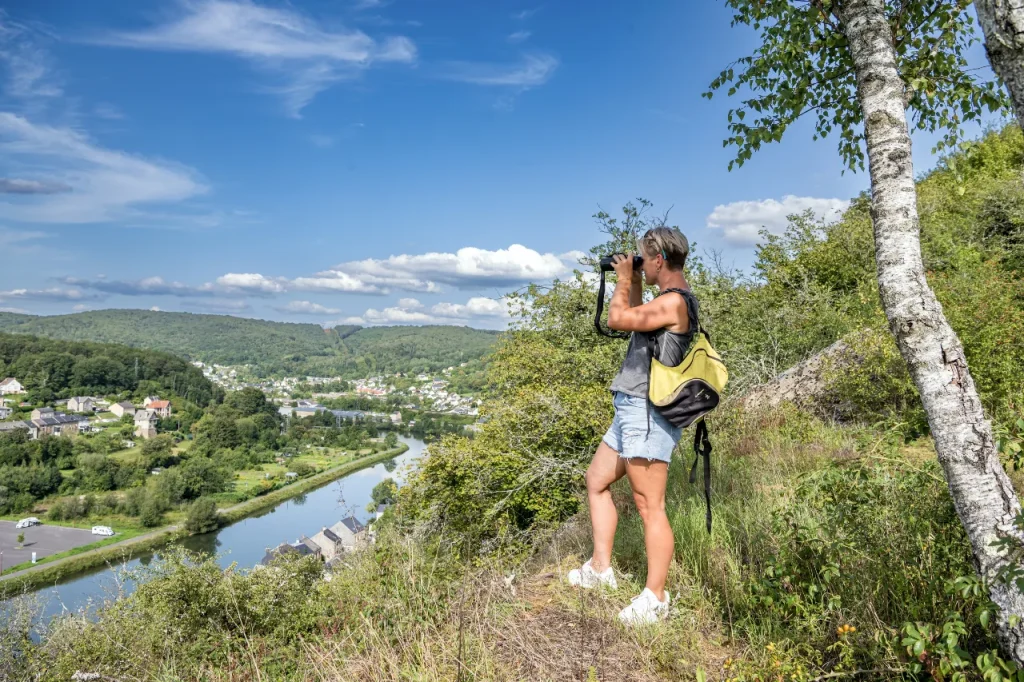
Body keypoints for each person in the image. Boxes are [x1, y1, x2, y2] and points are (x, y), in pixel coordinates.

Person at [568, 226, 698, 626]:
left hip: (647, 411)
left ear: (660, 259)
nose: (639, 263)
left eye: (644, 258)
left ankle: (656, 598)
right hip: (630, 406)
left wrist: (624, 278)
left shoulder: (675, 302)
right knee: (597, 481)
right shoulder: (664, 299)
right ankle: (601, 568)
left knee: (649, 505)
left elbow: (618, 318)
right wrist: (637, 281)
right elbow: (637, 321)